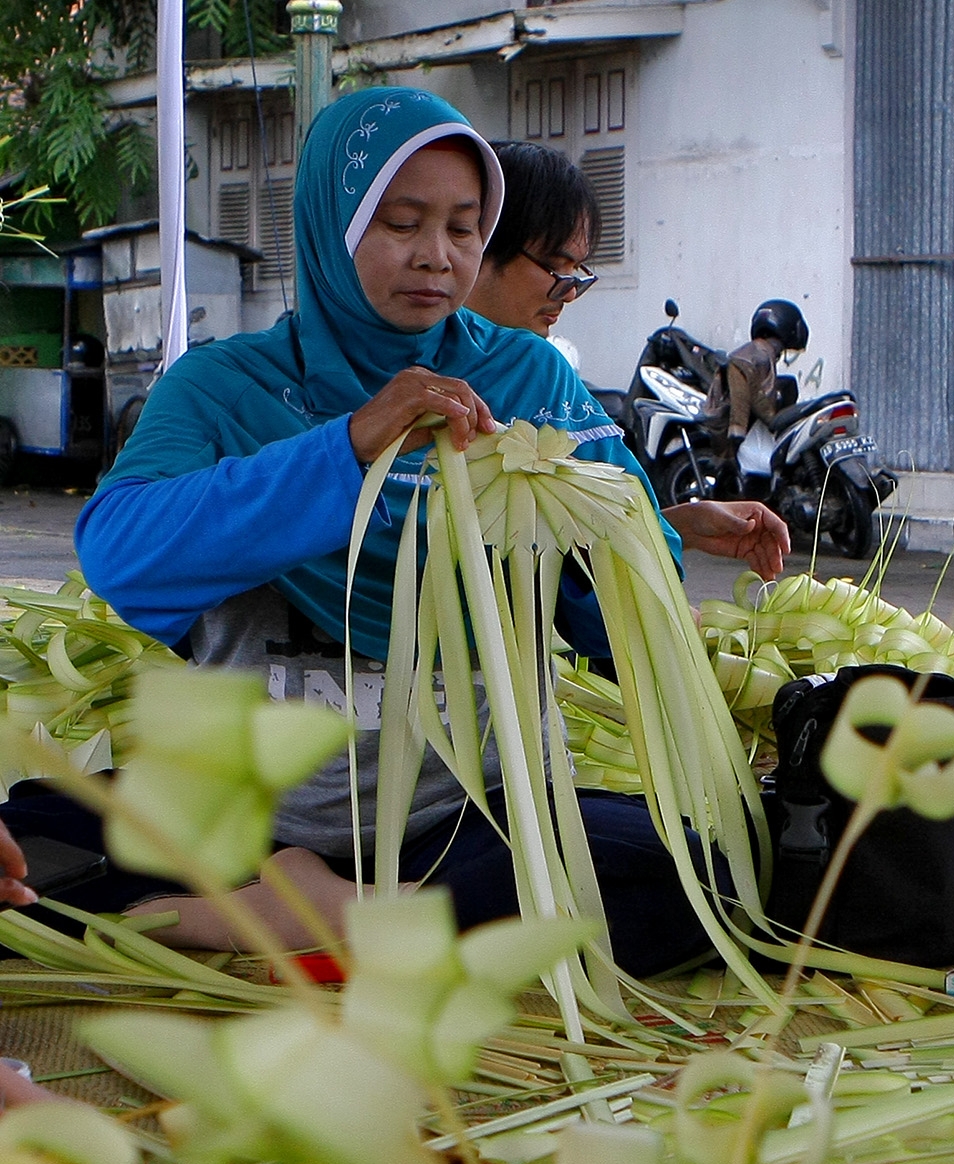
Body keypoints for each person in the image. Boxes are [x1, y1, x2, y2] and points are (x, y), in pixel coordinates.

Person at [0, 90, 717, 976]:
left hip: (465, 819)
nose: (436, 257)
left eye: (464, 228)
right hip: (247, 817)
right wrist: (346, 449)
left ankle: (293, 913)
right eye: (401, 222)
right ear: (331, 223)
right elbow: (119, 552)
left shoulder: (528, 377)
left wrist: (566, 523)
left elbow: (630, 615)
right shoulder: (225, 388)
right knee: (21, 846)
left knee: (700, 869)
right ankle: (346, 913)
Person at [468, 139, 790, 581]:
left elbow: (581, 538)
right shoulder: (520, 368)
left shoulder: (536, 370)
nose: (568, 294)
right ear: (479, 244)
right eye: (555, 267)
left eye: (578, 274)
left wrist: (679, 525)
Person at [702, 298, 810, 447]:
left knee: (788, 384)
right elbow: (761, 399)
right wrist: (776, 421)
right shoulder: (763, 353)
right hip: (729, 424)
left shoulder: (756, 350)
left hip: (722, 416)